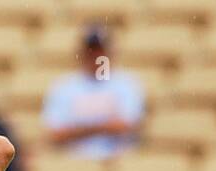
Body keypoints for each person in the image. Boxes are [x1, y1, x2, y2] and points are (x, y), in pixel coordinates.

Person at [42, 25, 145, 160]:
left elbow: (126, 125)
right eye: (91, 51)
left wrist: (79, 130)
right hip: (74, 163)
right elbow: (56, 134)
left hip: (117, 160)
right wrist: (103, 126)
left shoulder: (127, 84)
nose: (96, 56)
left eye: (100, 51)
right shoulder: (63, 87)